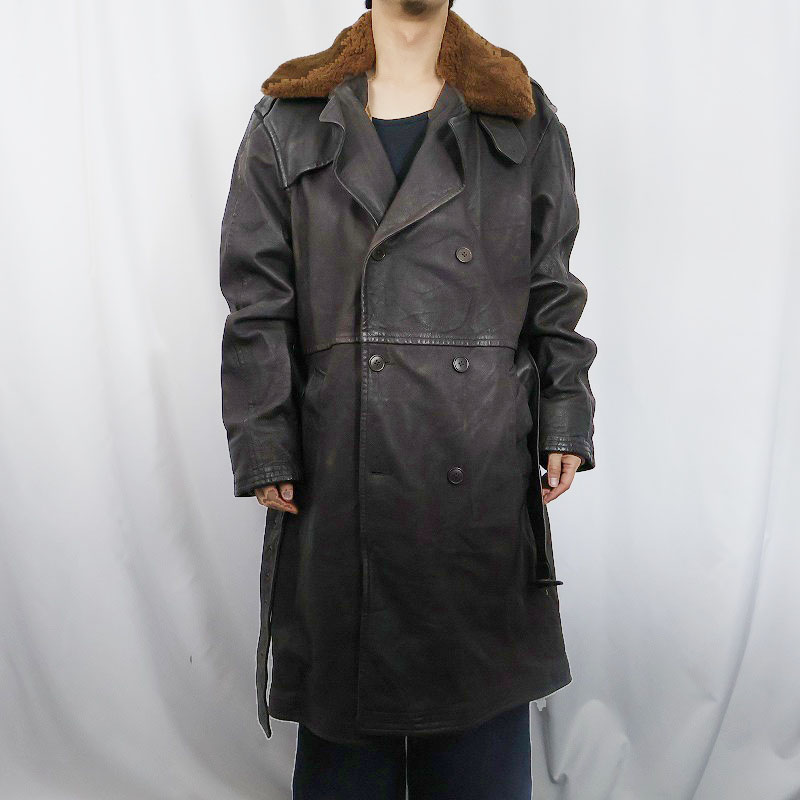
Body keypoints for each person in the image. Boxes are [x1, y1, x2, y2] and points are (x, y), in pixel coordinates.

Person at [218, 0, 597, 795]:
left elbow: (552, 288)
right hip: (339, 474)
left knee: (479, 746)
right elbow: (257, 302)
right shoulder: (289, 120)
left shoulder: (521, 116)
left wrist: (565, 414)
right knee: (346, 754)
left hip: (480, 472)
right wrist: (265, 441)